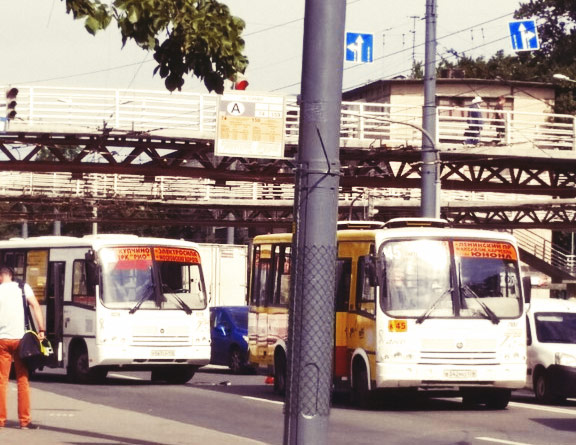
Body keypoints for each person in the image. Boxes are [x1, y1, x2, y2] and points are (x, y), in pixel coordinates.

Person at [0, 266, 45, 429]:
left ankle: (0, 420)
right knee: (23, 379)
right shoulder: (23, 287)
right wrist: (41, 330)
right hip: (21, 340)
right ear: (11, 276)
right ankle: (24, 421)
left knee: (1, 381)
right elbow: (36, 306)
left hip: (2, 340)